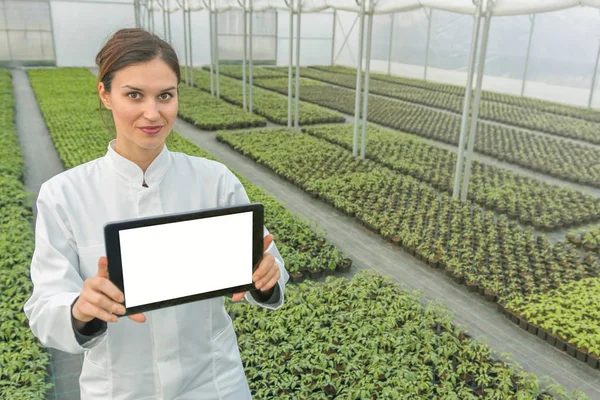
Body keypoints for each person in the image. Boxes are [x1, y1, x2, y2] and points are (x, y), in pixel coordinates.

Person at [24, 28, 288, 399]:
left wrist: (266, 276)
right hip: (120, 389)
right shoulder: (65, 195)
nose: (153, 113)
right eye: (134, 95)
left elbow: (267, 265)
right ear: (105, 94)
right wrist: (80, 308)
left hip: (214, 382)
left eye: (165, 95)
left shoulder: (214, 180)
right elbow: (45, 307)